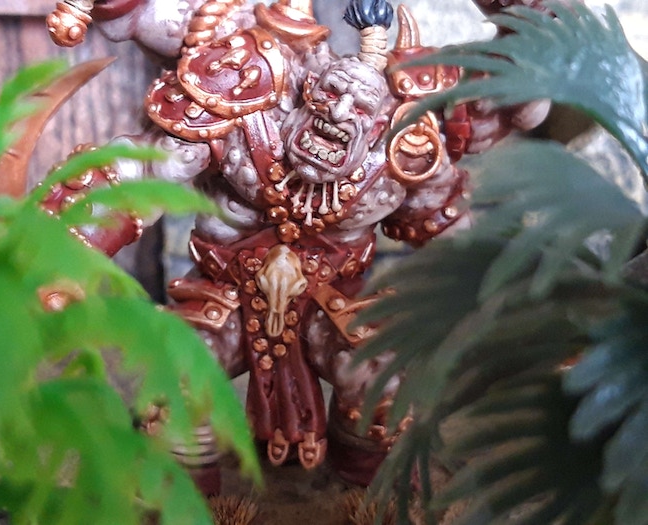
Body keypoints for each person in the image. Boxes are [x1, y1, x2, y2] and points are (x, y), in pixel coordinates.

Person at [43, 0, 552, 490]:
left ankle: (361, 487)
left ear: (379, 123)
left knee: (382, 380)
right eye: (330, 93)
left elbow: (450, 229)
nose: (339, 113)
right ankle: (182, 497)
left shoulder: (402, 154)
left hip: (330, 309)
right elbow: (140, 175)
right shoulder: (241, 110)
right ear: (307, 88)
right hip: (224, 303)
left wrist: (510, 303)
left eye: (359, 107)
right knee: (174, 378)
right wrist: (62, 257)